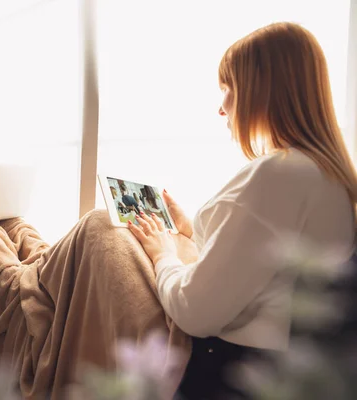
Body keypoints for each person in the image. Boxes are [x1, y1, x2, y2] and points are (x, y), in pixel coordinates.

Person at [128, 22, 356, 399]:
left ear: (261, 91)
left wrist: (164, 256)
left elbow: (194, 311)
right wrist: (193, 231)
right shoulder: (326, 175)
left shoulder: (279, 174)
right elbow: (262, 266)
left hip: (227, 366)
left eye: (227, 89)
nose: (221, 108)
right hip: (270, 360)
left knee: (99, 232)